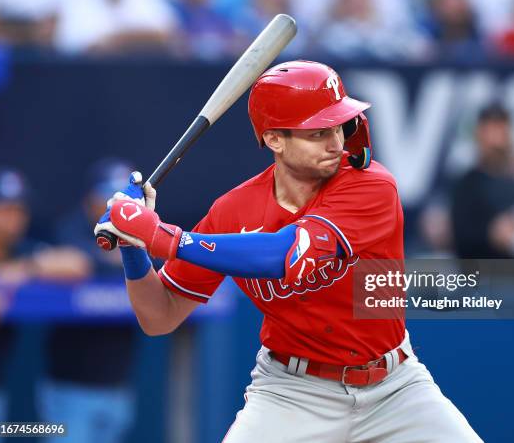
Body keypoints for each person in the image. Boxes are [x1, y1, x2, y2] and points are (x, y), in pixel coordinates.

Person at [95, 60, 482, 442]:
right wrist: (135, 245)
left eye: (339, 126)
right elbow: (158, 316)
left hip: (393, 388)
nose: (335, 143)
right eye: (317, 133)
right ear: (275, 140)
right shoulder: (233, 211)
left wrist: (167, 238)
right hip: (292, 393)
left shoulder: (372, 185)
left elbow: (289, 254)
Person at [39, 159, 138, 443]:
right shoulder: (69, 230)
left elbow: (158, 260)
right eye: (109, 197)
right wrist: (116, 260)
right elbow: (75, 262)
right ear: (91, 198)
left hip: (118, 387)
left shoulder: (136, 232)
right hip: (70, 389)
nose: (115, 206)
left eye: (123, 199)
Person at [0, 168, 89, 431]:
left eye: (18, 210)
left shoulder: (20, 250)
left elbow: (76, 263)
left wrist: (23, 269)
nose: (14, 218)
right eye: (4, 209)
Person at [450, 103, 514, 259]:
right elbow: (460, 237)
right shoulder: (467, 185)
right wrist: (490, 234)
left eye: (501, 131)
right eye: (489, 132)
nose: (495, 140)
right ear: (479, 135)